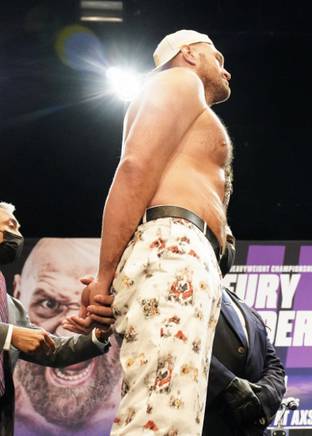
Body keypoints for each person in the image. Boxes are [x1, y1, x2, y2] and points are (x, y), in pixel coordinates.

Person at [67, 29, 233, 434]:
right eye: (218, 58)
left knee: (172, 416)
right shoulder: (179, 79)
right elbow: (134, 169)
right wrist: (103, 280)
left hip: (182, 252)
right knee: (159, 416)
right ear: (189, 54)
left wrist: (110, 279)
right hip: (172, 246)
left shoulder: (189, 102)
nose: (226, 69)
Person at [0, 202, 113, 436]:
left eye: (18, 229)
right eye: (10, 226)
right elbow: (15, 336)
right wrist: (10, 335)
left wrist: (100, 333)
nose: (17, 236)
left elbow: (52, 350)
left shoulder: (12, 307)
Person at [203, 286, 286, 436]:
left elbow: (274, 365)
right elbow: (182, 346)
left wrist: (262, 397)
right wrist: (229, 385)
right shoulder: (181, 292)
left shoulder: (241, 305)